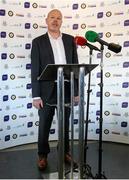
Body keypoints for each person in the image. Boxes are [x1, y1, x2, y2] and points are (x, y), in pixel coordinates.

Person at [31, 9, 78, 171]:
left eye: (58, 18)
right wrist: (36, 95)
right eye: (52, 17)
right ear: (46, 20)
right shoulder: (38, 42)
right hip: (45, 91)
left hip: (66, 87)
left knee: (65, 124)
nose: (55, 20)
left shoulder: (71, 40)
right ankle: (42, 155)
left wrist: (76, 92)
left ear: (61, 21)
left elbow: (75, 67)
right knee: (44, 124)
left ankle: (65, 152)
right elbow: (35, 70)